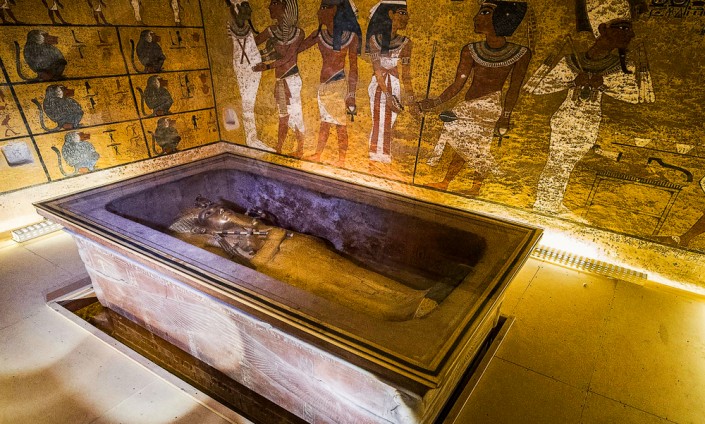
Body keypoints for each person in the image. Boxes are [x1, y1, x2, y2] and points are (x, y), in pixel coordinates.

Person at [169, 196, 439, 321]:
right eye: (209, 214)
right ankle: (395, 313)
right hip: (286, 266)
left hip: (301, 250)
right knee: (339, 290)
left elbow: (273, 232)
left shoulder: (241, 224)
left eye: (215, 208)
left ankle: (410, 296)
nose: (217, 211)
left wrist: (268, 236)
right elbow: (259, 264)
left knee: (353, 273)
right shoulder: (226, 241)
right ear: (206, 228)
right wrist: (274, 239)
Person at [527, 0, 654, 214]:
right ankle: (545, 203)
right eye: (623, 28)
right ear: (603, 29)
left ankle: (550, 202)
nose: (630, 34)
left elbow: (638, 97)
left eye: (629, 29)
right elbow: (537, 87)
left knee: (567, 164)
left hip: (590, 123)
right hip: (565, 120)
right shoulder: (571, 60)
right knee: (558, 162)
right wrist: (571, 81)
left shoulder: (624, 66)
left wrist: (604, 84)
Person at [420, 0, 530, 195]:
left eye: (485, 12)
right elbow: (458, 84)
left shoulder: (520, 53)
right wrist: (435, 102)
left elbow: (514, 89)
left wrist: (505, 116)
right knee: (461, 143)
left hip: (490, 106)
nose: (476, 17)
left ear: (502, 17)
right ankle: (447, 182)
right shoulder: (470, 50)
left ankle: (475, 187)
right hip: (467, 105)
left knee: (478, 148)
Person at [298, 0, 360, 167]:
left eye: (324, 8)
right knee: (325, 123)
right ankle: (318, 155)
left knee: (340, 125)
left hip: (338, 85)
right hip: (323, 86)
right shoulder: (319, 35)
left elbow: (354, 68)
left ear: (336, 11)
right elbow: (297, 48)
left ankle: (342, 160)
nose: (319, 12)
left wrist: (351, 94)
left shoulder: (350, 37)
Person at [253, 0, 306, 158]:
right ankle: (279, 148)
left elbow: (288, 58)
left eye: (274, 3)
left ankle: (300, 148)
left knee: (296, 114)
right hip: (280, 81)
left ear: (285, 6)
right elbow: (252, 44)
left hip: (291, 79)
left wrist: (268, 66)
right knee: (283, 115)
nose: (269, 6)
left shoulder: (298, 33)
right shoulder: (271, 31)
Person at [365, 0, 416, 164]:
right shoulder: (375, 40)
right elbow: (377, 69)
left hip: (394, 84)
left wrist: (411, 98)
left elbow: (406, 74)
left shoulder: (406, 43)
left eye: (406, 14)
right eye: (402, 13)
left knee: (389, 122)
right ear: (390, 14)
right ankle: (375, 156)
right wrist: (387, 95)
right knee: (378, 121)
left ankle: (384, 157)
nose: (406, 17)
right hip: (379, 84)